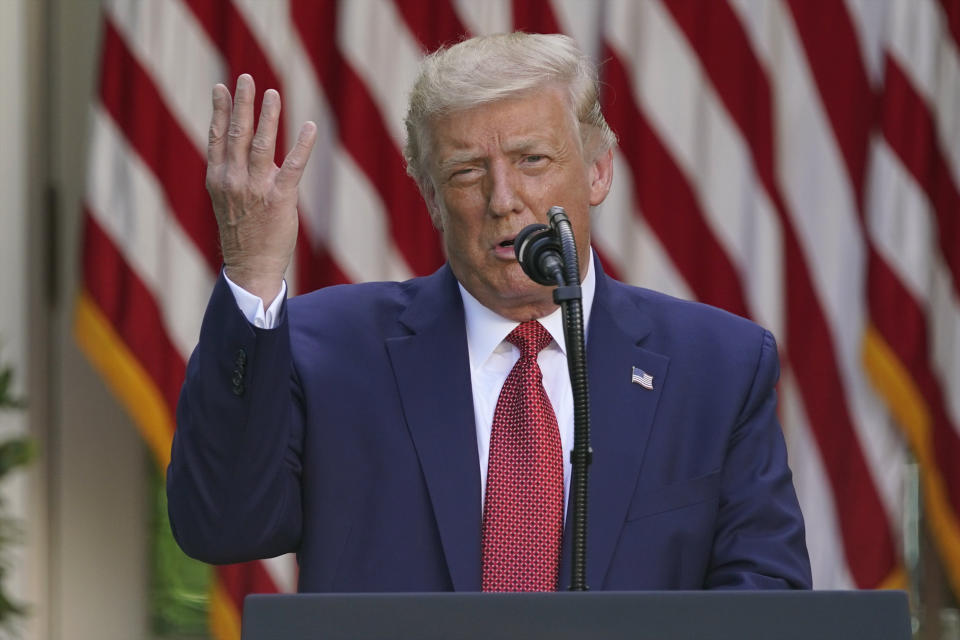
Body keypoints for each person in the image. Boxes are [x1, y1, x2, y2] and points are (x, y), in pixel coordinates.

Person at [167, 32, 811, 592]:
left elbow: (766, 595)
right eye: (467, 172)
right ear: (429, 197)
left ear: (597, 172)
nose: (504, 199)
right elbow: (222, 526)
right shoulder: (325, 348)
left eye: (533, 160)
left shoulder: (718, 367)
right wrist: (251, 272)